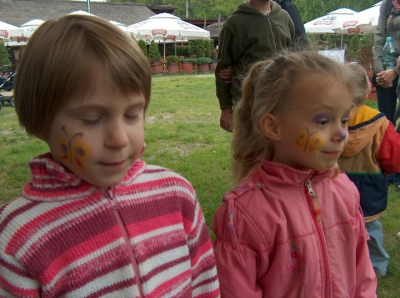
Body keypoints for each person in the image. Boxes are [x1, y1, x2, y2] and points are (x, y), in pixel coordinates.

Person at [0, 15, 220, 297]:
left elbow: (204, 284)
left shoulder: (176, 196)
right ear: (41, 121)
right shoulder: (17, 238)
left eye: (132, 114)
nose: (119, 138)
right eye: (91, 118)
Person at [212, 52, 377, 297]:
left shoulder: (344, 191)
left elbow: (362, 273)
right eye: (323, 121)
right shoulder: (245, 214)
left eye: (343, 120)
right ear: (273, 127)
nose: (341, 134)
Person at [338, 63, 400, 276]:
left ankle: (341, 264)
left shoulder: (328, 120)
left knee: (337, 228)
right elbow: (394, 159)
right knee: (371, 229)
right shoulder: (381, 123)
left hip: (336, 187)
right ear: (367, 90)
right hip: (370, 187)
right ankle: (377, 266)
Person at [215, 0, 295, 132]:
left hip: (282, 98)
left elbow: (293, 56)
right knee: (252, 148)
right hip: (249, 101)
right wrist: (226, 108)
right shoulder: (236, 23)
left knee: (280, 146)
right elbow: (223, 69)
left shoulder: (284, 17)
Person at [373, 0, 400, 189]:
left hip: (397, 67)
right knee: (385, 121)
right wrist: (380, 73)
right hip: (387, 66)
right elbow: (379, 38)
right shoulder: (386, 5)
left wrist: (396, 71)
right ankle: (388, 169)